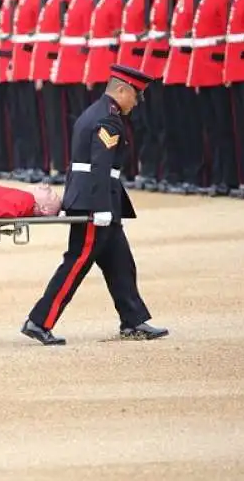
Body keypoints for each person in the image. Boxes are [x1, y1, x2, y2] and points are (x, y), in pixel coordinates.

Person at [21, 64, 169, 346]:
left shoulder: (98, 112)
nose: (136, 102)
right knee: (77, 263)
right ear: (122, 90)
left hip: (98, 199)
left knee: (121, 264)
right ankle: (39, 321)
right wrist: (100, 207)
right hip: (95, 202)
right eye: (135, 95)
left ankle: (133, 320)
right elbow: (99, 166)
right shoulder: (107, 120)